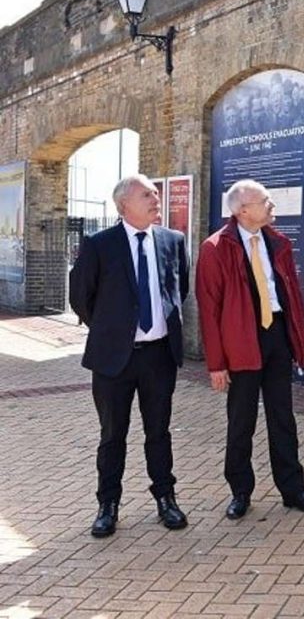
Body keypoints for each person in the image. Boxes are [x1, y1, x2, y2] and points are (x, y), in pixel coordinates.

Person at [69, 174, 189, 537]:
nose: (156, 199)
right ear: (124, 205)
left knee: (159, 432)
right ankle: (108, 505)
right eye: (146, 195)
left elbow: (178, 289)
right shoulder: (99, 244)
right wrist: (111, 330)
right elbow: (81, 297)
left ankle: (166, 499)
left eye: (156, 194)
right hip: (113, 360)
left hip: (158, 357)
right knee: (112, 435)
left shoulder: (173, 240)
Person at [195, 179, 304, 519]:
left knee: (283, 417)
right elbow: (209, 310)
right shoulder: (215, 248)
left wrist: (298, 341)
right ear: (242, 210)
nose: (272, 207)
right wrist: (216, 363)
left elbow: (291, 295)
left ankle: (293, 490)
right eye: (265, 202)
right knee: (241, 420)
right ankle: (240, 491)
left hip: (276, 337)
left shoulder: (278, 242)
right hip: (240, 341)